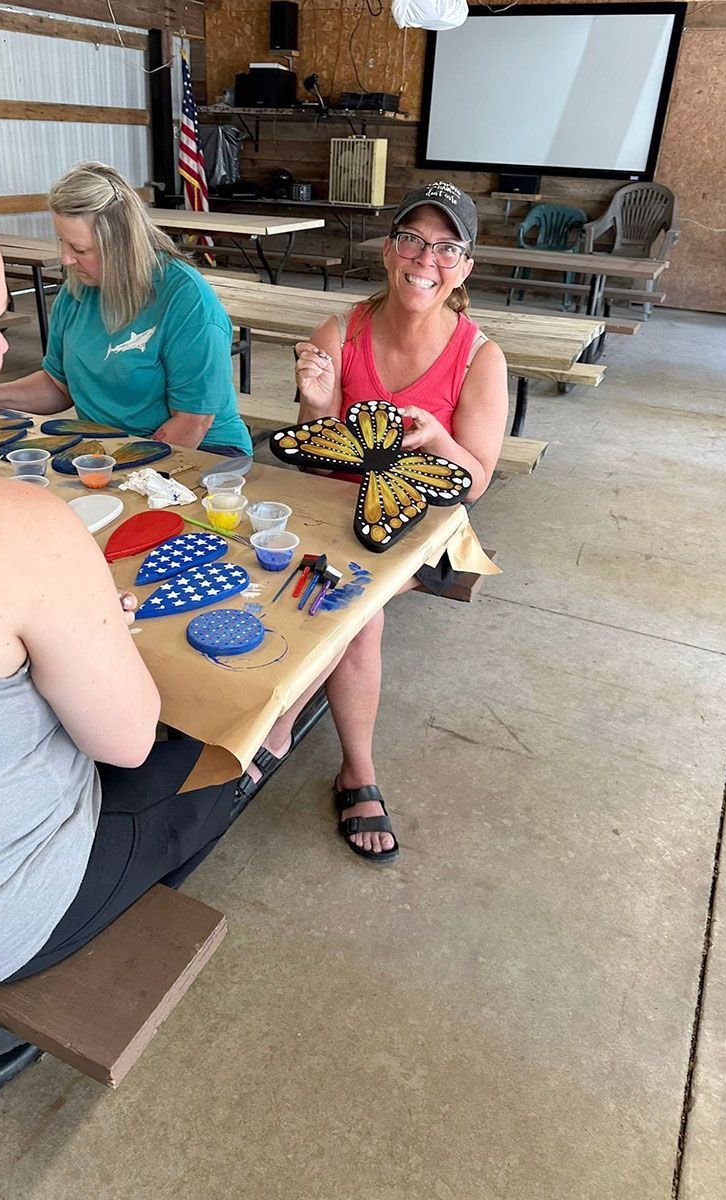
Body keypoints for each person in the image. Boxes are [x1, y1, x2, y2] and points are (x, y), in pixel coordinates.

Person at [0, 155, 244, 1024]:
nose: (8, 343)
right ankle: (106, 930)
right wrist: (81, 632)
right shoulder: (10, 525)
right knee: (225, 755)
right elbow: (121, 742)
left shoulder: (180, 297)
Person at [243, 182, 509, 865]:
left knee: (357, 606)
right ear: (390, 251)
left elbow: (474, 481)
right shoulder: (341, 332)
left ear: (466, 267)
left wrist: (440, 440)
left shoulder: (480, 357)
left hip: (428, 526)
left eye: (447, 247)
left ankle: (308, 743)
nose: (427, 259)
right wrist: (317, 403)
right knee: (284, 571)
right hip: (334, 510)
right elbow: (311, 452)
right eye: (414, 240)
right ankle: (313, 749)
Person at [0, 161, 252, 458]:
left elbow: (193, 421)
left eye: (79, 249)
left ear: (121, 245)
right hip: (109, 446)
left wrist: (121, 472)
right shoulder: (77, 290)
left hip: (205, 451)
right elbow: (58, 384)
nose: (65, 259)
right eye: (61, 241)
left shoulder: (185, 299)